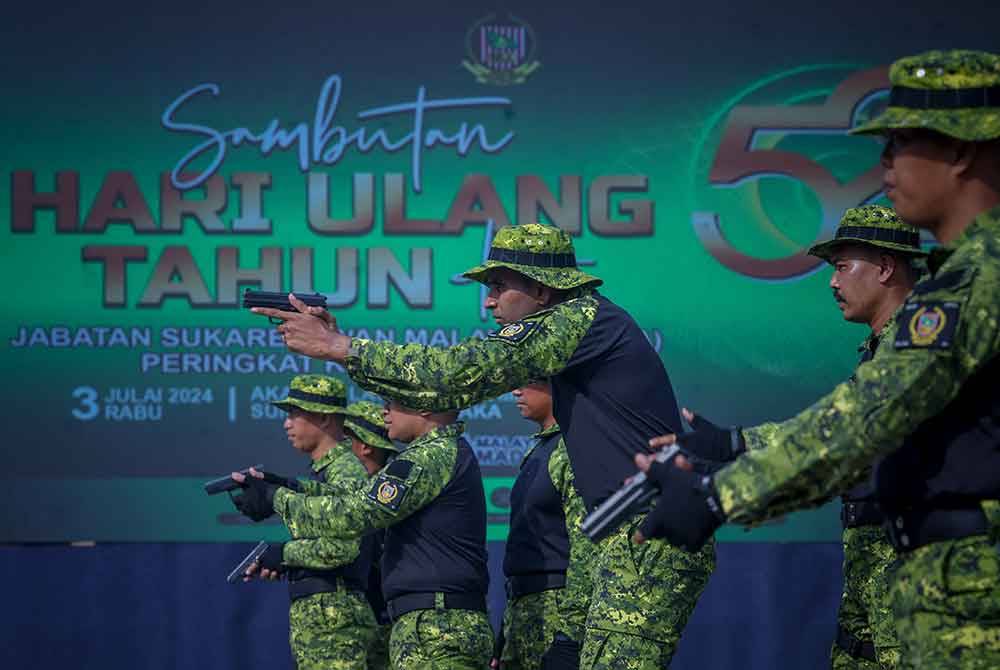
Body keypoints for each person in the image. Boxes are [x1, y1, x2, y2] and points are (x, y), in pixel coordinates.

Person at [634, 50, 1000, 669]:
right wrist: (728, 450)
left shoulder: (976, 280)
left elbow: (866, 423)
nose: (883, 162)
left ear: (960, 149)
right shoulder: (969, 273)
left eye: (902, 141)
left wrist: (716, 497)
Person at [253, 223, 716, 668]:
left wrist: (340, 346)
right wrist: (570, 633)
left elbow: (458, 374)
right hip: (627, 537)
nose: (489, 301)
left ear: (542, 289)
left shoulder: (578, 317)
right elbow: (444, 389)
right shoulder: (580, 330)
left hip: (649, 535)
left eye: (499, 286)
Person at [235, 398, 493, 669]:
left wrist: (278, 500)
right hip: (424, 624)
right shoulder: (430, 455)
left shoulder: (429, 456)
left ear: (424, 406)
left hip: (438, 625)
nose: (385, 411)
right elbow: (357, 499)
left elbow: (356, 513)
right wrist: (287, 487)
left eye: (393, 402)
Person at [233, 374, 377, 670]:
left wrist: (284, 554)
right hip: (322, 615)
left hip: (335, 617)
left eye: (294, 414)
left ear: (324, 419)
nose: (287, 424)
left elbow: (344, 549)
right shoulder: (321, 474)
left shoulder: (345, 471)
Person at [496, 380, 596, 669]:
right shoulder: (542, 447)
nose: (515, 390)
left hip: (557, 611)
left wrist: (570, 635)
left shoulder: (571, 447)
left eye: (528, 383)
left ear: (556, 385)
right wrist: (507, 629)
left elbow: (585, 544)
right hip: (525, 610)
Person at [341, 400, 401, 670]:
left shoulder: (380, 500)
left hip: (385, 632)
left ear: (365, 446)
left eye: (345, 439)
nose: (337, 448)